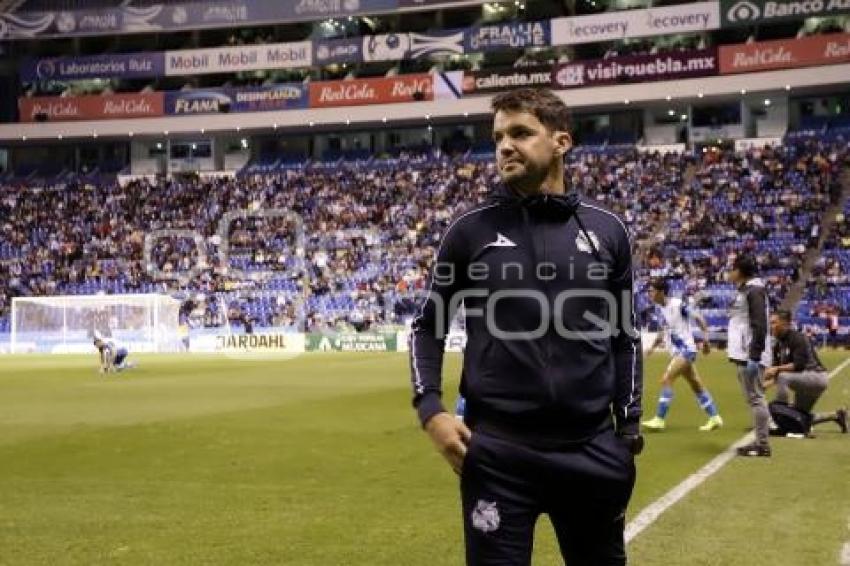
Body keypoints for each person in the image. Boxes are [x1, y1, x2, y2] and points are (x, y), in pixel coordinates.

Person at [409, 87, 643, 566]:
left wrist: (628, 430)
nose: (504, 146)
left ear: (561, 141)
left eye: (520, 132)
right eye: (497, 136)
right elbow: (426, 326)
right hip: (498, 454)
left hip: (593, 452)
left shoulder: (606, 230)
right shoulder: (468, 231)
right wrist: (431, 411)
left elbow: (626, 336)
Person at [642, 277, 723, 432]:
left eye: (651, 291)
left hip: (686, 350)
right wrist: (652, 348)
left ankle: (659, 419)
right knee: (696, 384)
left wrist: (706, 341)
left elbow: (700, 319)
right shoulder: (660, 309)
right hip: (678, 352)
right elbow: (662, 332)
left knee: (667, 379)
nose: (648, 294)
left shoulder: (678, 305)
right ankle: (714, 417)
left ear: (661, 292)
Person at [763, 310, 847, 434]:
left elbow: (799, 365)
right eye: (770, 323)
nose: (771, 326)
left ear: (785, 324)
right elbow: (777, 372)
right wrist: (765, 384)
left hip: (816, 377)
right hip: (803, 379)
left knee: (783, 377)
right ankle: (836, 416)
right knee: (798, 416)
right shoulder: (778, 345)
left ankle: (778, 419)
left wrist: (776, 370)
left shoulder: (798, 338)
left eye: (774, 323)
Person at [726, 254, 773, 457]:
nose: (729, 272)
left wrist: (754, 355)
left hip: (750, 353)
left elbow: (759, 325)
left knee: (756, 398)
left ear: (740, 271)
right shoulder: (747, 290)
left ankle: (762, 444)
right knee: (754, 398)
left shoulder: (754, 291)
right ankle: (761, 441)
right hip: (744, 352)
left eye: (732, 268)